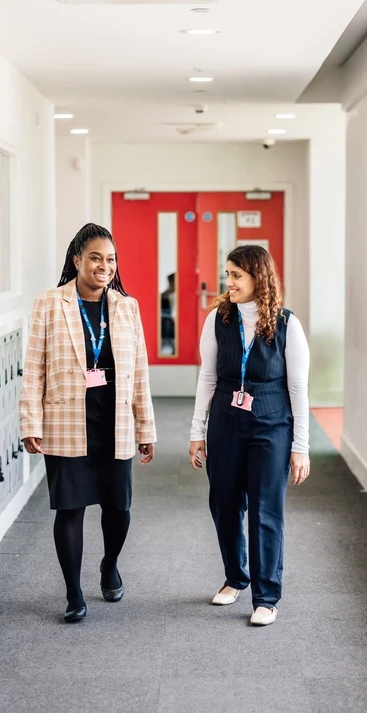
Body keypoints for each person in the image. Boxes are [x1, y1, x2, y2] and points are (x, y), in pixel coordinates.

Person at [19, 223, 156, 623]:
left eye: (110, 259)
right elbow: (34, 371)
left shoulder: (127, 308)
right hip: (66, 421)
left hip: (113, 423)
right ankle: (73, 592)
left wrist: (145, 429)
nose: (104, 266)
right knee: (71, 508)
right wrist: (31, 421)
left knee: (119, 508)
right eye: (95, 257)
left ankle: (109, 563)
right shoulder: (50, 303)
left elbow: (141, 373)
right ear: (77, 259)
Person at [189, 245, 310, 626]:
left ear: (259, 277)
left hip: (272, 424)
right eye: (227, 274)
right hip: (226, 421)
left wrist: (301, 446)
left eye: (236, 275)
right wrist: (198, 431)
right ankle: (235, 577)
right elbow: (207, 377)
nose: (229, 282)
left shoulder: (287, 324)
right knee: (224, 503)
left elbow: (298, 388)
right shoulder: (218, 320)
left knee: (265, 509)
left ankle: (266, 596)